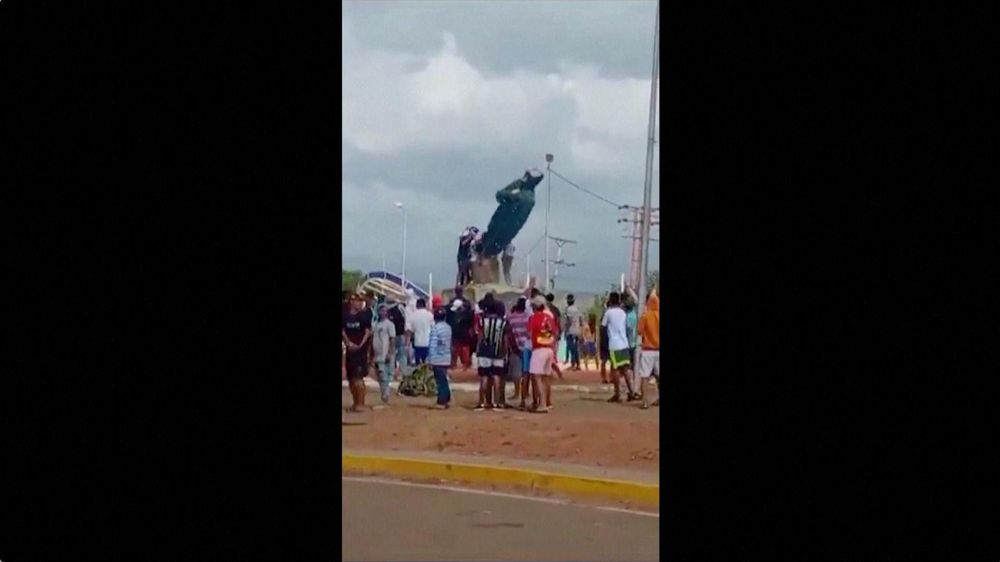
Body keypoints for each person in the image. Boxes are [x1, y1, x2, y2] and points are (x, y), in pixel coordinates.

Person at [475, 295, 511, 411]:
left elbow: (480, 336)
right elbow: (505, 339)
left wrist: (478, 349)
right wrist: (505, 352)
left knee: (484, 376)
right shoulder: (504, 322)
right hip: (498, 351)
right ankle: (497, 403)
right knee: (496, 376)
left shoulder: (482, 320)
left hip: (484, 351)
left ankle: (482, 402)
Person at [601, 291, 637, 402]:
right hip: (624, 344)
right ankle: (631, 392)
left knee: (615, 370)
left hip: (614, 345)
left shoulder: (608, 313)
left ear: (611, 301)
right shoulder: (623, 312)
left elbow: (603, 327)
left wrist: (603, 345)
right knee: (626, 369)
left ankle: (617, 394)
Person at [342, 293, 372, 412]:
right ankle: (355, 403)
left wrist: (360, 345)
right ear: (351, 301)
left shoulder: (364, 315)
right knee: (351, 379)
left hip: (361, 352)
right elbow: (343, 330)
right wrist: (348, 342)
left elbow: (368, 332)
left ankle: (361, 403)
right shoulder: (345, 316)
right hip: (349, 351)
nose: (359, 303)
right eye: (357, 300)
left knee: (358, 378)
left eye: (361, 301)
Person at [527, 295, 556, 412]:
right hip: (549, 348)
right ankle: (547, 402)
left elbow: (529, 334)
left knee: (536, 377)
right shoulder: (549, 317)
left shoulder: (533, 318)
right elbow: (554, 332)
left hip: (539, 349)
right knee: (546, 377)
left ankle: (542, 404)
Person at [506, 296, 532, 406]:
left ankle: (517, 393)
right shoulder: (529, 317)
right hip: (528, 347)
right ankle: (525, 393)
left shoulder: (511, 318)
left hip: (516, 348)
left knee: (516, 374)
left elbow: (508, 332)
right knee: (526, 373)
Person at [637, 292, 660, 409]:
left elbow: (639, 332)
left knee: (645, 376)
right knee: (658, 376)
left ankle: (645, 401)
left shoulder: (645, 316)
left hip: (648, 350)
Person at [428, 306, 453, 409]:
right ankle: (445, 398)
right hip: (446, 356)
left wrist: (430, 359)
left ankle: (442, 401)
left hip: (437, 358)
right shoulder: (448, 327)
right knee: (443, 378)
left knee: (440, 380)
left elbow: (433, 344)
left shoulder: (435, 328)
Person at [371, 304, 396, 407]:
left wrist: (390, 353)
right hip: (377, 354)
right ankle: (383, 395)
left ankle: (385, 397)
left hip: (385, 354)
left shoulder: (389, 324)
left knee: (384, 376)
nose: (383, 312)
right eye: (382, 311)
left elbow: (392, 339)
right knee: (380, 377)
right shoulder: (376, 324)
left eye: (385, 311)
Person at [446, 286, 474, 371]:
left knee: (455, 348)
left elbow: (448, 317)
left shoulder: (451, 303)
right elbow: (471, 317)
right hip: (464, 330)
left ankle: (454, 365)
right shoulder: (467, 303)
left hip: (454, 330)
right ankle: (465, 366)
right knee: (464, 348)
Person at [406, 298, 434, 366]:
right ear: (425, 305)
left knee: (418, 364)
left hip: (417, 343)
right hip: (428, 343)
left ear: (416, 305)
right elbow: (433, 328)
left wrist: (407, 344)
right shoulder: (430, 315)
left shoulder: (412, 316)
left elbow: (409, 331)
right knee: (427, 363)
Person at [386, 296, 408, 380]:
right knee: (401, 355)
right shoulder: (401, 308)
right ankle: (403, 373)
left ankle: (391, 374)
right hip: (400, 334)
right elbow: (406, 320)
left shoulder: (388, 310)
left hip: (393, 336)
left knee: (392, 355)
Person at [544, 293, 563, 380]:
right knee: (552, 353)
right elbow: (558, 322)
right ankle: (555, 373)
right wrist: (559, 332)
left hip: (546, 333)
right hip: (554, 332)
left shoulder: (544, 309)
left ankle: (554, 373)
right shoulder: (555, 310)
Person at [624, 296, 640, 398]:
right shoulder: (635, 314)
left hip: (629, 344)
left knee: (628, 368)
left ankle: (632, 390)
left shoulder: (628, 317)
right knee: (635, 367)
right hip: (635, 344)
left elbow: (627, 331)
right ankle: (635, 389)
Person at [563, 294, 583, 370]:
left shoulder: (568, 310)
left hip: (570, 331)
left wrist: (566, 330)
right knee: (576, 348)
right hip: (577, 331)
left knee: (572, 348)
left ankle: (573, 364)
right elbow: (581, 320)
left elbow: (568, 322)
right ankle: (577, 364)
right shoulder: (577, 309)